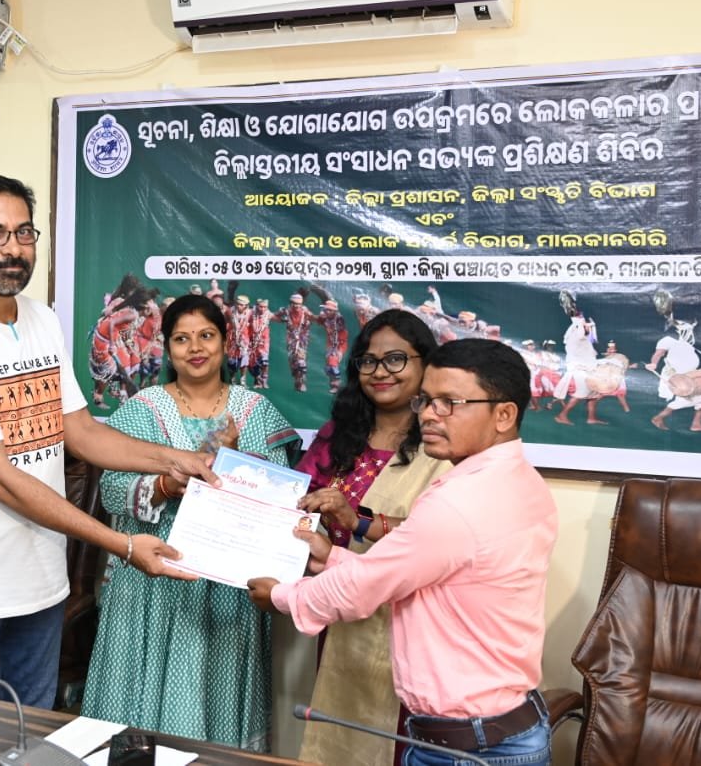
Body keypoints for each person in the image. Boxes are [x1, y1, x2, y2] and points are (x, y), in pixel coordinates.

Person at [0, 172, 214, 709]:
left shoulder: (41, 319)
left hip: (38, 585)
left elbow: (80, 430)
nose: (13, 249)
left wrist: (176, 458)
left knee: (29, 737)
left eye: (24, 232)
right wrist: (122, 545)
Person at [248, 339, 558, 766]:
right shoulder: (521, 480)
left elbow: (364, 587)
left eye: (450, 403)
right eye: (426, 400)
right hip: (501, 730)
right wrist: (331, 558)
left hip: (468, 750)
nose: (429, 414)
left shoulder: (461, 502)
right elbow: (422, 578)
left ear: (503, 415)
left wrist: (282, 596)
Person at [82, 294, 300, 750]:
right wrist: (165, 486)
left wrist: (235, 462)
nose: (195, 348)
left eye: (206, 335)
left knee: (215, 703)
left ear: (226, 341)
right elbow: (113, 491)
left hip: (227, 585)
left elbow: (281, 499)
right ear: (166, 347)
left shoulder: (255, 411)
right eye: (182, 339)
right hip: (152, 576)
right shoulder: (143, 408)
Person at [291, 310, 452, 766]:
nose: (380, 372)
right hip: (341, 608)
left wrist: (356, 518)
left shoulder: (445, 442)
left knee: (403, 746)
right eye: (368, 361)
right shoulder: (339, 436)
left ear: (425, 364)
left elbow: (441, 536)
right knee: (341, 738)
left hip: (415, 625)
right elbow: (296, 501)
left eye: (396, 359)